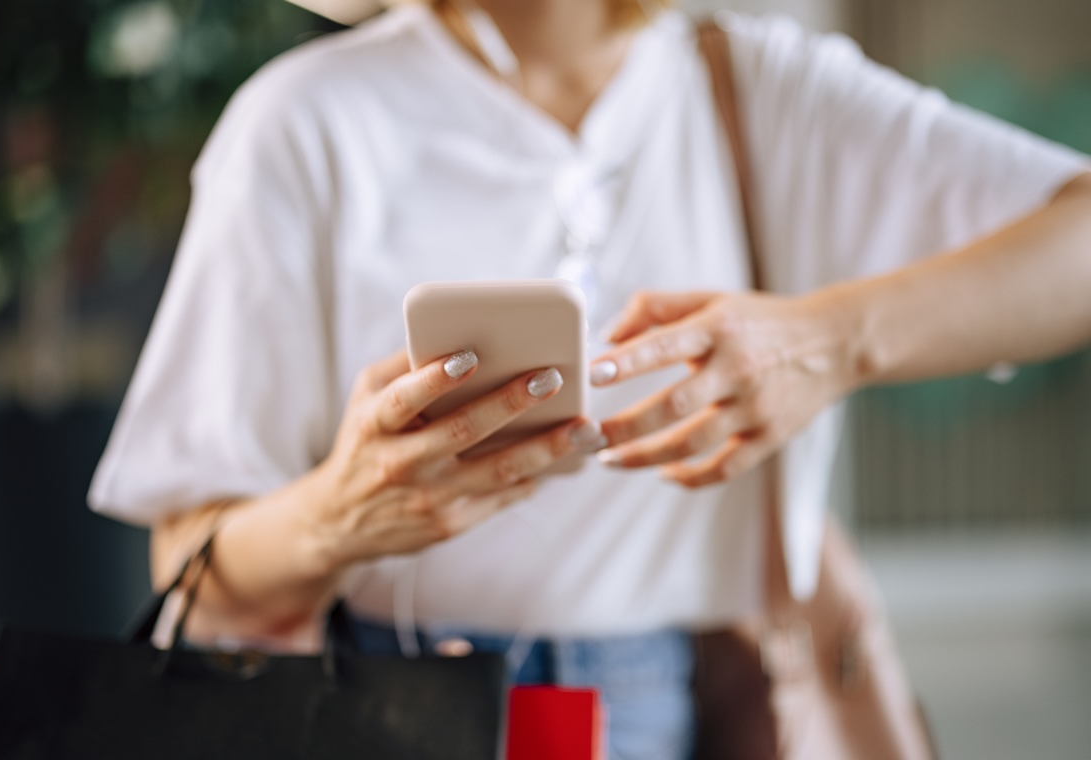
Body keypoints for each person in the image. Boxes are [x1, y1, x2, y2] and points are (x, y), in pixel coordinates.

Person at [88, 0, 1091, 757]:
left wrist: (827, 342)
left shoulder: (760, 90)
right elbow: (191, 559)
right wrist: (342, 514)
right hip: (380, 710)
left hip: (683, 708)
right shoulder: (301, 125)